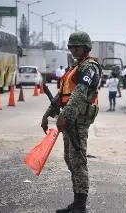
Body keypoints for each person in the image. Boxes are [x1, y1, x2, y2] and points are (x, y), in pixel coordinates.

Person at [41, 31, 101, 213]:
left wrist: (64, 116)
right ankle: (77, 202)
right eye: (71, 47)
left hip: (78, 120)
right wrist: (47, 114)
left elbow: (79, 94)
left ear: (86, 48)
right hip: (69, 119)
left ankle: (80, 205)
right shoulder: (75, 67)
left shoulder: (89, 67)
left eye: (78, 46)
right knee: (70, 159)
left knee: (78, 161)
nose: (74, 49)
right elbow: (62, 95)